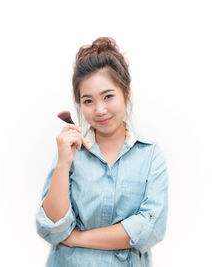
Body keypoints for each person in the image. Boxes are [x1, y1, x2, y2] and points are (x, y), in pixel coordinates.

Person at [35, 37, 169, 267]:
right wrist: (63, 163)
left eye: (108, 96)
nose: (100, 110)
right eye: (88, 101)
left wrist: (76, 237)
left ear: (126, 94)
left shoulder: (150, 155)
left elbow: (148, 229)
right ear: (79, 105)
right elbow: (51, 227)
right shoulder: (69, 152)